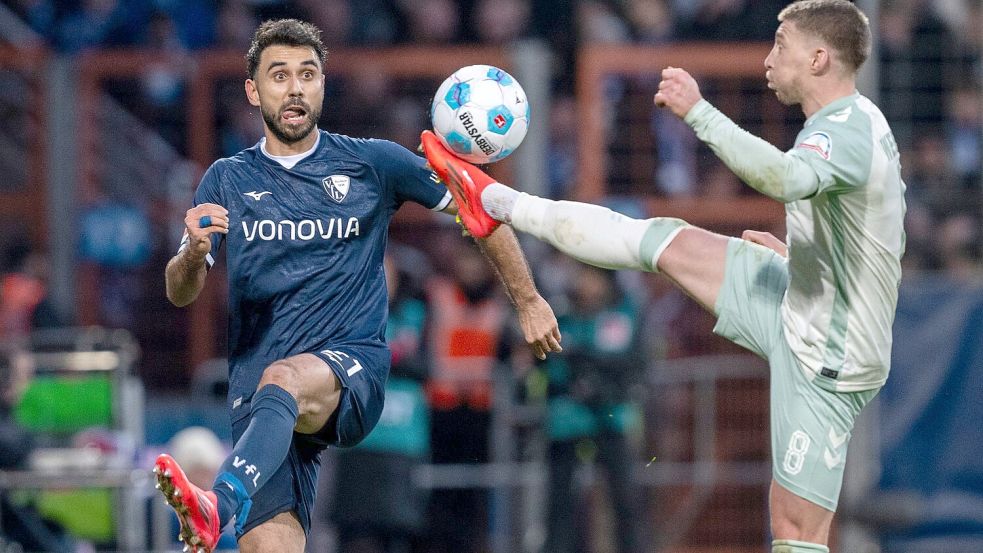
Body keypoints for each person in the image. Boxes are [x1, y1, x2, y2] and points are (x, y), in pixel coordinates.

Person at [420, 2, 905, 552]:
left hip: (829, 358)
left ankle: (497, 202)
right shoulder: (847, 124)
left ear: (818, 58)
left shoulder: (847, 131)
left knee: (796, 530)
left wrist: (700, 112)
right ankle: (495, 200)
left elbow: (783, 178)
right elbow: (873, 229)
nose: (769, 58)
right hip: (798, 291)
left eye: (781, 44)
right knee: (662, 241)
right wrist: (804, 255)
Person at [153, 19, 561, 553]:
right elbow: (180, 291)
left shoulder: (372, 163)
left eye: (307, 74)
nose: (295, 87)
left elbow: (479, 208)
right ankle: (225, 512)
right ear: (254, 91)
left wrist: (527, 299)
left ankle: (217, 504)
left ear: (323, 84)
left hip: (349, 370)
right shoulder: (226, 179)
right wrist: (193, 256)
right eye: (279, 75)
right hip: (258, 399)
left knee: (286, 379)